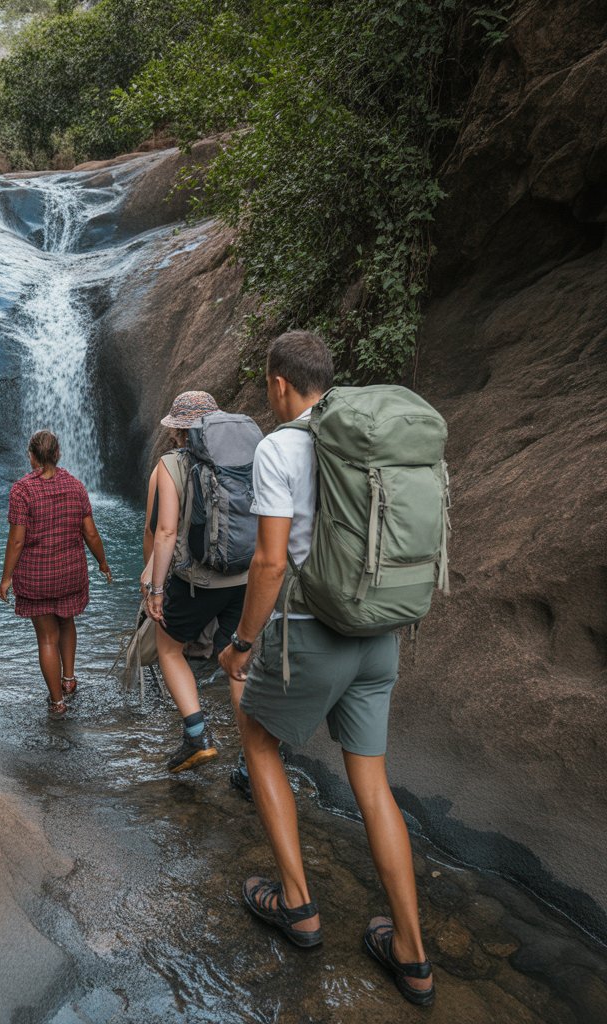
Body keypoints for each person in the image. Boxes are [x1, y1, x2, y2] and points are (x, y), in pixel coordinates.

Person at [218, 330, 435, 1006]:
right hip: (380, 632)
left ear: (279, 383)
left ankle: (298, 905)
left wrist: (242, 643)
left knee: (258, 739)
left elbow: (270, 562)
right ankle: (412, 954)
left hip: (312, 632)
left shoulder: (278, 448)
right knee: (372, 782)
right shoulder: (367, 441)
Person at [143, 391, 250, 773]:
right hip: (244, 577)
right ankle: (253, 758)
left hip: (197, 582)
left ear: (178, 431)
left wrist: (156, 590)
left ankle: (197, 736)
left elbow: (165, 532)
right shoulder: (244, 458)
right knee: (237, 660)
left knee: (169, 648)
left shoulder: (171, 464)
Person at [0, 430, 111, 719]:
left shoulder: (22, 490)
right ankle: (69, 679)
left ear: (31, 456)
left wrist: (6, 577)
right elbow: (90, 533)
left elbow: (17, 540)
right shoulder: (76, 486)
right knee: (67, 621)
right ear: (58, 454)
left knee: (47, 638)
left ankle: (58, 702)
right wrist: (102, 562)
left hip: (37, 577)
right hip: (70, 573)